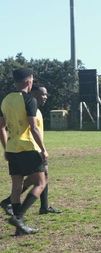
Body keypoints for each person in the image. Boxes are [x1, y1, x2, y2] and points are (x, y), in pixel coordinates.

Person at [0, 68, 48, 235]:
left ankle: (19, 231)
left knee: (16, 186)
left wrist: (6, 148)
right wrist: (43, 149)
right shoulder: (29, 100)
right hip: (27, 147)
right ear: (29, 82)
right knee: (41, 182)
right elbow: (34, 128)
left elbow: (1, 128)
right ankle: (18, 217)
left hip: (12, 149)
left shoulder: (5, 100)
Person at [0, 84, 61, 216]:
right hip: (30, 149)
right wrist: (42, 149)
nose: (44, 97)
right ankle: (13, 206)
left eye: (46, 95)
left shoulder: (36, 110)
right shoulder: (26, 108)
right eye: (41, 94)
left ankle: (44, 207)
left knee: (43, 176)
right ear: (32, 93)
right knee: (38, 179)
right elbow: (31, 129)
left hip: (33, 148)